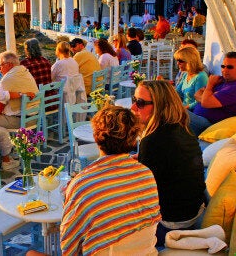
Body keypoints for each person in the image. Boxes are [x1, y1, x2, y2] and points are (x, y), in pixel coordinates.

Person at [60, 105, 161, 255]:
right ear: (134, 141)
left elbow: (68, 248)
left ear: (95, 137)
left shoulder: (83, 183)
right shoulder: (146, 174)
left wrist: (71, 199)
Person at [131, 80, 205, 247]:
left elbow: (140, 193)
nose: (133, 108)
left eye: (140, 103)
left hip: (172, 222)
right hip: (192, 210)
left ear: (160, 106)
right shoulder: (180, 128)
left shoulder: (152, 140)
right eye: (134, 100)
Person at [189, 51, 236, 135]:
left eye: (229, 67)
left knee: (174, 112)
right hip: (197, 116)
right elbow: (197, 94)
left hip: (207, 125)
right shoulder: (223, 80)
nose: (224, 70)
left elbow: (205, 102)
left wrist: (210, 85)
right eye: (223, 66)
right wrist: (207, 97)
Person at [0, 51, 40, 129]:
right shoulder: (26, 72)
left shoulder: (6, 79)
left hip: (20, 121)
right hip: (35, 118)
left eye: (1, 65)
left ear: (9, 65)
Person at [174, 46, 208, 111]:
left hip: (193, 111)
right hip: (184, 109)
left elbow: (200, 101)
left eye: (180, 61)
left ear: (190, 61)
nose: (178, 63)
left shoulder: (201, 77)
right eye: (177, 60)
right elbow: (177, 92)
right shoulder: (186, 74)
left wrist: (184, 108)